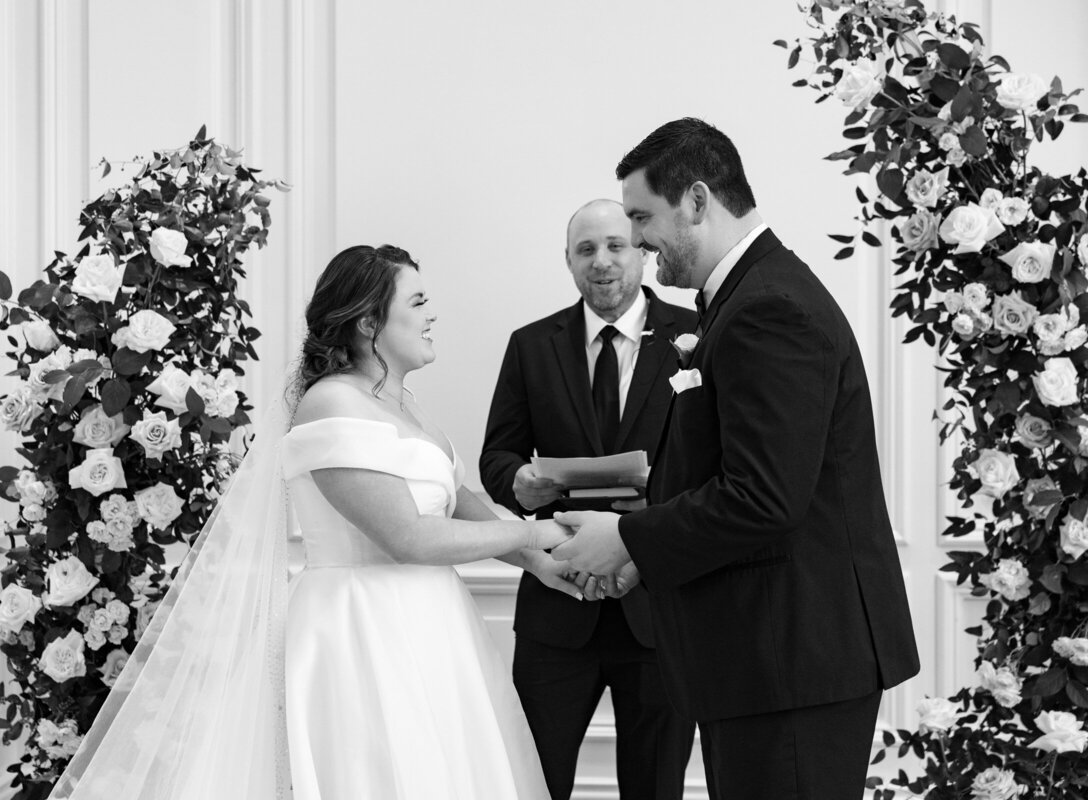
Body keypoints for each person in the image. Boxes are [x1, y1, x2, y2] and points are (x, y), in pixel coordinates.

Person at [49, 244, 577, 800]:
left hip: (434, 621)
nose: (432, 314)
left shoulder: (405, 402)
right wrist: (536, 530)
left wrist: (535, 563)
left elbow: (452, 495)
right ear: (369, 321)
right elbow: (408, 536)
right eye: (418, 301)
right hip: (364, 627)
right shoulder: (331, 404)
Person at [552, 117, 920, 799]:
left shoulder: (768, 308)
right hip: (768, 660)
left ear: (697, 200)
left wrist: (628, 534)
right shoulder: (745, 297)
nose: (634, 240)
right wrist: (640, 559)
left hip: (790, 660)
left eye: (641, 217)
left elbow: (764, 498)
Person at [480, 199, 696, 800]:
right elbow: (496, 458)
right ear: (569, 262)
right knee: (531, 783)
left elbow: (719, 465)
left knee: (656, 789)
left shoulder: (697, 334)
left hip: (659, 608)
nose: (601, 262)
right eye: (585, 250)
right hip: (557, 606)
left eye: (616, 246)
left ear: (643, 252)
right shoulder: (530, 345)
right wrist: (519, 484)